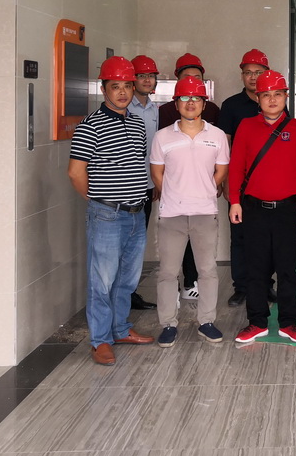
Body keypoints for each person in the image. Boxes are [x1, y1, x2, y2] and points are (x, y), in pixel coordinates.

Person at [67, 56, 155, 365]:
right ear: (103, 89)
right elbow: (76, 172)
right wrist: (97, 199)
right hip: (107, 214)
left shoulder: (137, 123)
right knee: (102, 281)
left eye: (127, 86)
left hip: (136, 214)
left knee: (127, 280)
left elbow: (137, 163)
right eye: (115, 86)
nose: (122, 92)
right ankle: (101, 340)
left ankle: (120, 329)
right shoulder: (90, 126)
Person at [228, 71, 296, 344]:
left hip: (287, 209)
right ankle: (257, 322)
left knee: (287, 269)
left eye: (278, 94)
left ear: (286, 96)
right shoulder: (246, 127)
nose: (272, 99)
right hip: (253, 208)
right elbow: (236, 167)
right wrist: (234, 201)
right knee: (256, 268)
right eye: (266, 95)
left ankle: (289, 322)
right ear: (258, 98)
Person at [150, 75, 230, 347]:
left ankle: (206, 321)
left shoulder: (217, 136)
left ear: (204, 104)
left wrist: (204, 190)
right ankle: (168, 324)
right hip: (171, 214)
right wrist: (175, 193)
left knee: (207, 270)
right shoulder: (162, 136)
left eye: (196, 98)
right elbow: (157, 173)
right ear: (176, 103)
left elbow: (221, 171)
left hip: (205, 213)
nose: (191, 102)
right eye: (184, 98)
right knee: (168, 272)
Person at [158, 52, 221, 302]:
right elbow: (158, 166)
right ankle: (170, 307)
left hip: (203, 199)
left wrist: (207, 186)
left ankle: (193, 288)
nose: (191, 97)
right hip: (173, 198)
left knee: (204, 259)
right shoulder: (164, 113)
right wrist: (170, 189)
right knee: (170, 259)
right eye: (186, 78)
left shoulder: (213, 111)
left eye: (197, 78)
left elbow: (220, 161)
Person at [218, 48, 271, 307]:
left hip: (268, 182)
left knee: (266, 237)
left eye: (258, 72)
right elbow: (224, 146)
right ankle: (241, 287)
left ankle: (265, 285)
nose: (252, 77)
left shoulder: (274, 102)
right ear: (242, 76)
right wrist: (227, 180)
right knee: (239, 235)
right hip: (240, 180)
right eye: (248, 73)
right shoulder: (231, 106)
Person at [126, 54, 160, 311]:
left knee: (138, 242)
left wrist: (156, 182)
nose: (147, 80)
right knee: (126, 242)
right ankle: (123, 294)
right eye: (142, 76)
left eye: (151, 76)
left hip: (147, 185)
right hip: (126, 186)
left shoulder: (154, 109)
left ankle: (130, 292)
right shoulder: (125, 108)